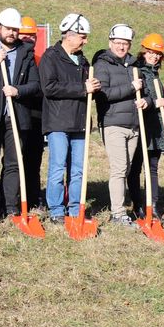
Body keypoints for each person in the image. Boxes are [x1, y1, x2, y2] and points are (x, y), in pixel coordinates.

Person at [0, 8, 40, 222]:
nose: (11, 33)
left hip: (17, 116)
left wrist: (18, 90)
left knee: (14, 163)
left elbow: (36, 85)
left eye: (15, 29)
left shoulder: (26, 53)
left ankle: (11, 206)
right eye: (8, 29)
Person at [39, 13, 100, 224]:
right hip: (57, 122)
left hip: (79, 122)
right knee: (57, 168)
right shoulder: (51, 57)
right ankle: (56, 210)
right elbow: (49, 87)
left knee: (78, 169)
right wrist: (82, 88)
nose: (85, 41)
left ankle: (75, 209)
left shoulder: (83, 61)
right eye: (83, 37)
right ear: (69, 36)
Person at [91, 23, 147, 228]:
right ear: (110, 42)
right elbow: (103, 94)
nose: (122, 47)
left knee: (127, 168)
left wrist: (145, 100)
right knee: (119, 168)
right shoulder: (102, 65)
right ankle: (118, 213)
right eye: (118, 43)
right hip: (113, 123)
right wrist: (131, 87)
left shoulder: (134, 66)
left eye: (125, 43)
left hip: (133, 125)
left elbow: (145, 91)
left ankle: (120, 208)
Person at [128, 33, 164, 215]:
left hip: (156, 129)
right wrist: (153, 102)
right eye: (151, 52)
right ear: (143, 51)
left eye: (158, 53)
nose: (154, 56)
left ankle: (153, 204)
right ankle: (138, 205)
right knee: (135, 168)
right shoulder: (136, 70)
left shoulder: (155, 73)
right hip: (140, 126)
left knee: (152, 168)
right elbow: (138, 99)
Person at [17, 15, 46, 209]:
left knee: (34, 161)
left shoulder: (40, 61)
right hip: (18, 117)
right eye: (24, 35)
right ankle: (13, 197)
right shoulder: (15, 59)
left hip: (36, 119)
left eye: (32, 35)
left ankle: (33, 198)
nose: (28, 38)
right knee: (15, 161)